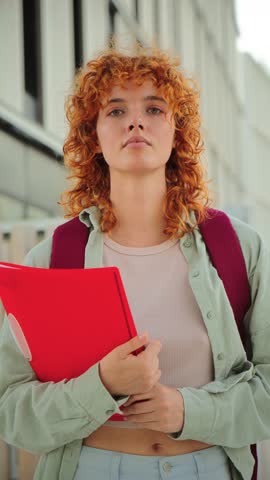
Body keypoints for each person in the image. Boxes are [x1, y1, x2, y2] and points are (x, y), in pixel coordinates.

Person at [0, 41, 270, 480]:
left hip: (209, 468)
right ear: (94, 136)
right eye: (116, 111)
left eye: (155, 109)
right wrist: (102, 386)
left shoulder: (240, 248)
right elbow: (11, 409)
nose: (136, 122)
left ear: (177, 130)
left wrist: (186, 409)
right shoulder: (52, 258)